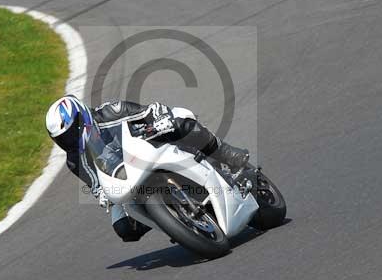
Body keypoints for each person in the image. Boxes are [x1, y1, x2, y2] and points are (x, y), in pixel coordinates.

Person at [45, 95, 249, 242]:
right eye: (61, 140)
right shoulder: (74, 160)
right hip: (125, 177)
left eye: (71, 133)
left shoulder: (110, 112)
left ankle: (225, 153)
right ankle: (172, 224)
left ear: (82, 118)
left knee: (182, 126)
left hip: (151, 145)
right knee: (124, 229)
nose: (68, 141)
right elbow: (96, 184)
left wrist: (159, 121)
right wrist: (103, 196)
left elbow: (149, 110)